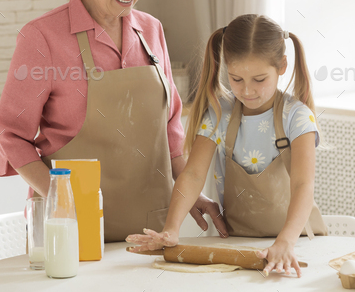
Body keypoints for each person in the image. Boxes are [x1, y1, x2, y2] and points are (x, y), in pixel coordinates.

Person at [0, 0, 225, 242]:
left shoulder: (151, 31)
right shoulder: (43, 37)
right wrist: (60, 199)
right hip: (70, 226)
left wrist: (189, 191)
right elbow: (11, 133)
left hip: (149, 228)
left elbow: (170, 127)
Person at [127, 14, 328, 277]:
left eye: (259, 79)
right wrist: (171, 229)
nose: (247, 91)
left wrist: (285, 242)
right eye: (236, 79)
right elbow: (193, 174)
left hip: (296, 243)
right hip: (239, 244)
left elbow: (304, 185)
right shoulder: (220, 114)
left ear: (282, 66)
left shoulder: (297, 117)